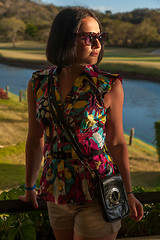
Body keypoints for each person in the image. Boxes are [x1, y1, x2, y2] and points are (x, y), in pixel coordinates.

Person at [19, 7, 143, 240]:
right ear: (64, 39)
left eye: (100, 37)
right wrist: (29, 188)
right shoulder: (38, 83)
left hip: (98, 190)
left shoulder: (108, 85)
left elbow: (116, 142)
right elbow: (35, 139)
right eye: (88, 37)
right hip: (57, 189)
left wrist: (128, 191)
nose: (97, 44)